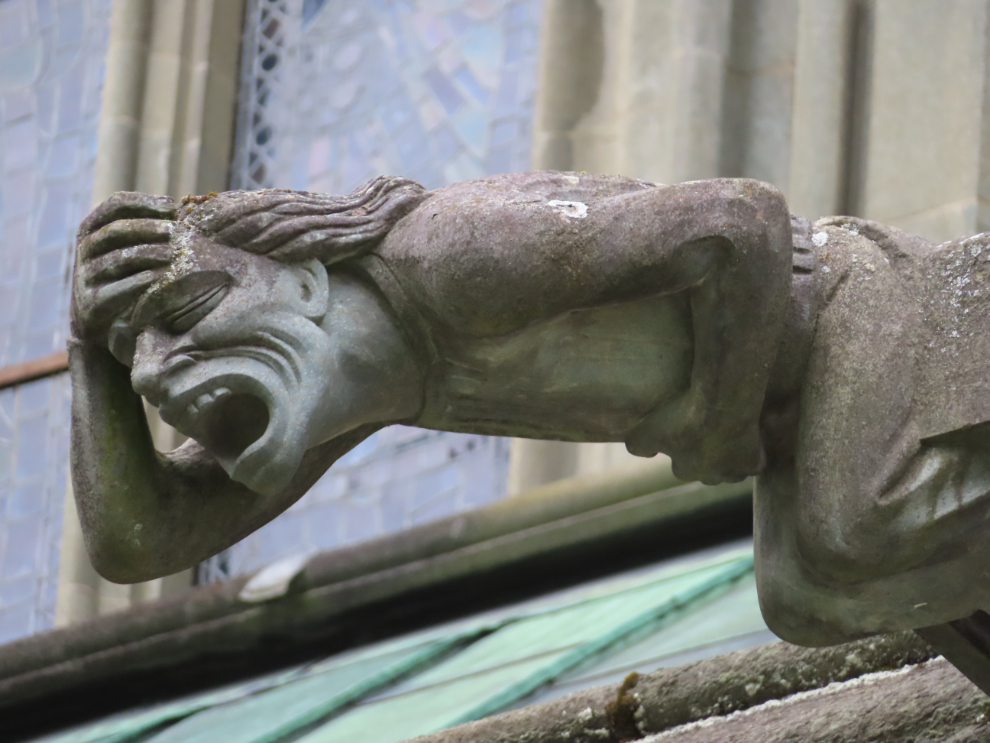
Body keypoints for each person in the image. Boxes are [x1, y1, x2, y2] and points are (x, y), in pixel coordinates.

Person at [69, 170, 990, 646]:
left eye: (183, 319)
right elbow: (144, 541)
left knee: (850, 527)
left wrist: (716, 416)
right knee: (804, 600)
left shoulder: (447, 259)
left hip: (848, 310)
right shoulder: (365, 385)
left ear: (305, 282)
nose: (156, 375)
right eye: (135, 360)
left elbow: (739, 222)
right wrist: (87, 359)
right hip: (798, 406)